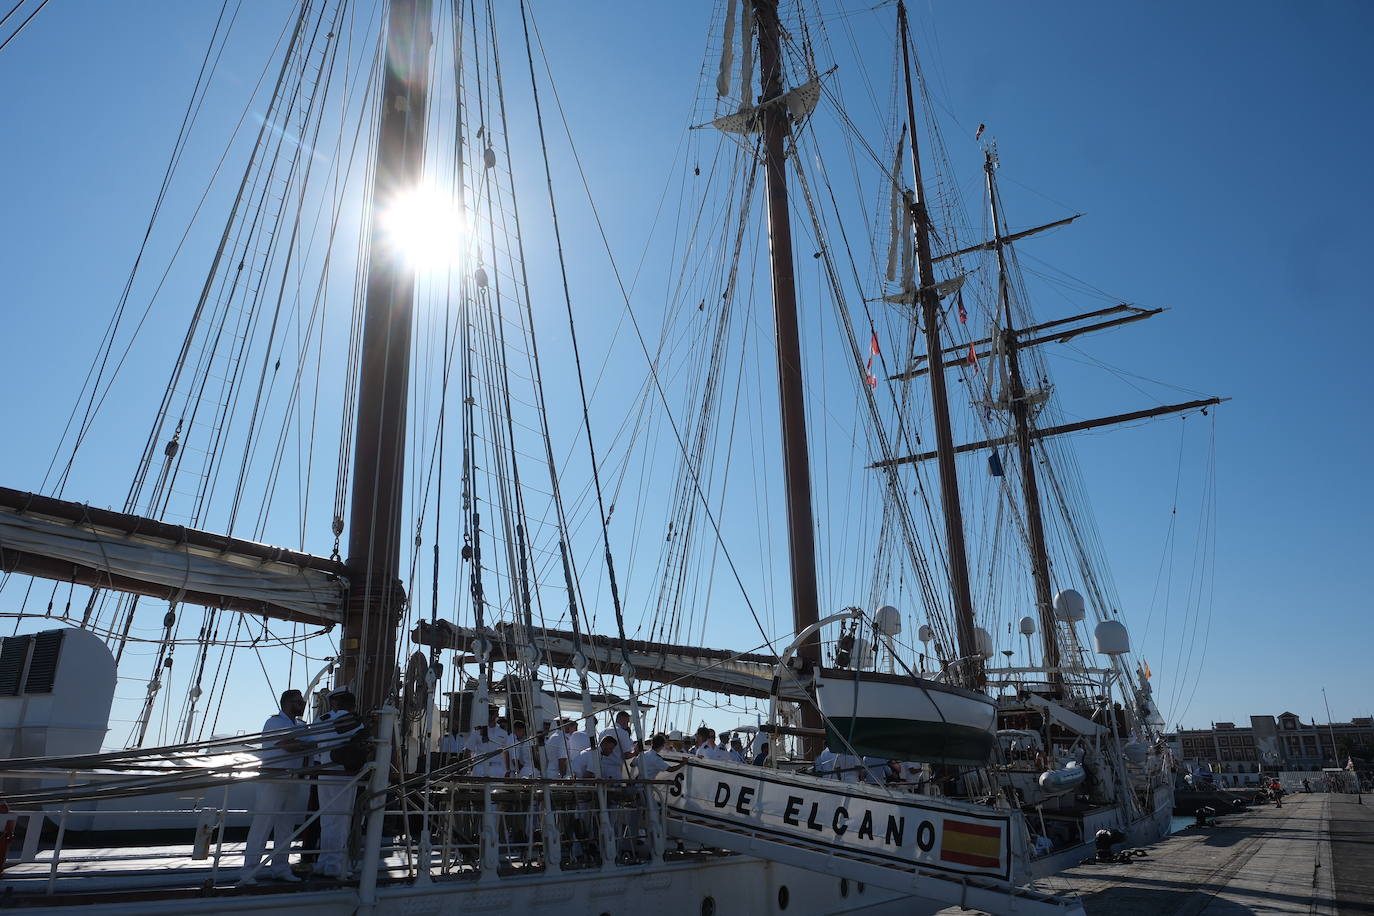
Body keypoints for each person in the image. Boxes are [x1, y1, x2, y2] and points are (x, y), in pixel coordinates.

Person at [240, 689, 310, 884]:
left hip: (292, 780)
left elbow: (308, 743)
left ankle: (280, 868)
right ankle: (249, 871)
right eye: (298, 702)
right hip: (273, 779)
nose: (303, 704)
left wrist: (305, 745)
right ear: (287, 703)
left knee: (285, 827)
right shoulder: (275, 722)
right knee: (262, 825)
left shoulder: (301, 725)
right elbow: (288, 745)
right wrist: (306, 745)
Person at [313, 689, 365, 879]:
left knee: (326, 819)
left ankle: (323, 862)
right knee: (341, 819)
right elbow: (361, 743)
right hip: (343, 774)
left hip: (324, 773)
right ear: (351, 705)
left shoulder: (322, 719)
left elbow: (315, 744)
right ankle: (334, 865)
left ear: (335, 704)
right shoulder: (353, 721)